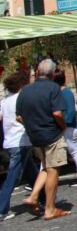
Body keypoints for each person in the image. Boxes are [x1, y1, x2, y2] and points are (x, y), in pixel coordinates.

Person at [16, 60, 69, 221]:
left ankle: (33, 197)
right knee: (54, 169)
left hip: (35, 136)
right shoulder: (53, 88)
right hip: (51, 134)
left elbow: (19, 116)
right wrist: (63, 127)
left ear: (38, 72)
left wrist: (31, 125)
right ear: (53, 74)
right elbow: (58, 114)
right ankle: (50, 208)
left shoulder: (25, 90)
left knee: (45, 167)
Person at [0, 72, 37, 221]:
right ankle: (1, 208)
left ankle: (46, 199)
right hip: (21, 141)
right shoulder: (22, 99)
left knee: (33, 174)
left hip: (10, 141)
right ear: (22, 85)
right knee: (12, 178)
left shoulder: (5, 101)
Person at [53, 70, 77, 186]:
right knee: (72, 149)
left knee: (73, 149)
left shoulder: (66, 93)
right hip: (65, 126)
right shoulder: (61, 93)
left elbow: (70, 112)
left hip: (69, 126)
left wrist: (63, 123)